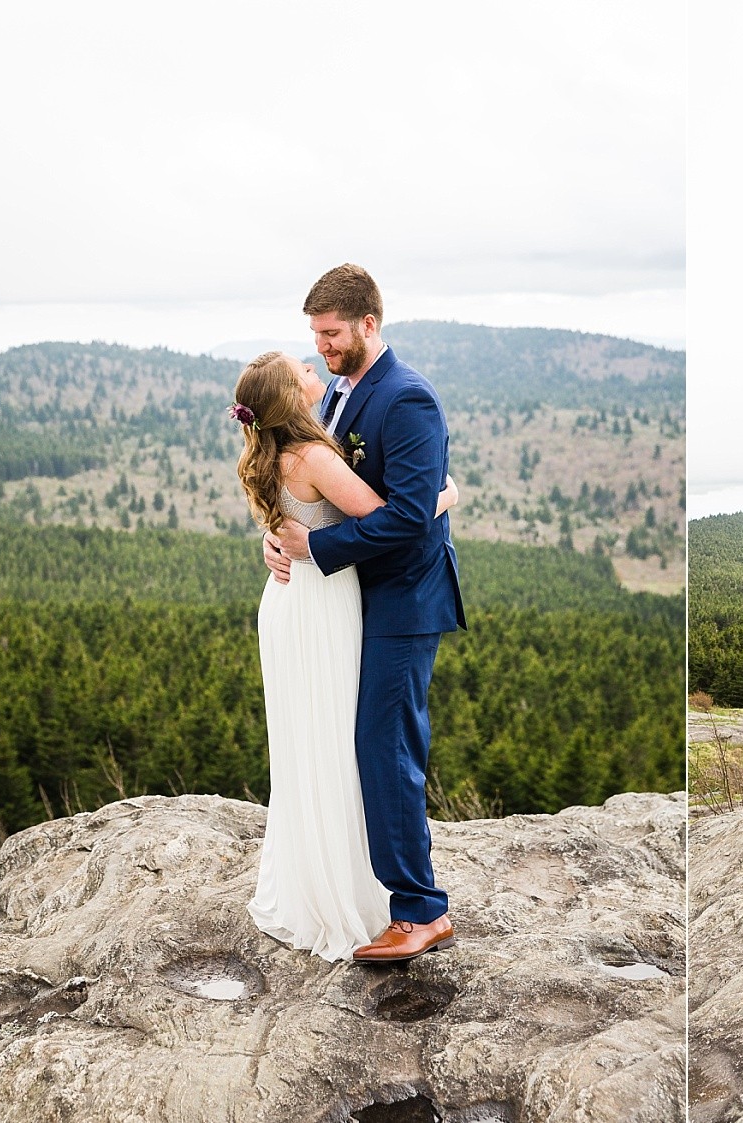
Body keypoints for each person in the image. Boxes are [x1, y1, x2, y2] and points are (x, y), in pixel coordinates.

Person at [265, 264, 466, 962]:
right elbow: (324, 486)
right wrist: (281, 535)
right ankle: (379, 890)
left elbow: (411, 518)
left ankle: (420, 910)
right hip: (359, 597)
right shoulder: (345, 393)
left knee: (387, 748)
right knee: (359, 744)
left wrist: (316, 546)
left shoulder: (407, 399)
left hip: (406, 597)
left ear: (368, 323)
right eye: (315, 335)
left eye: (330, 333)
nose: (321, 346)